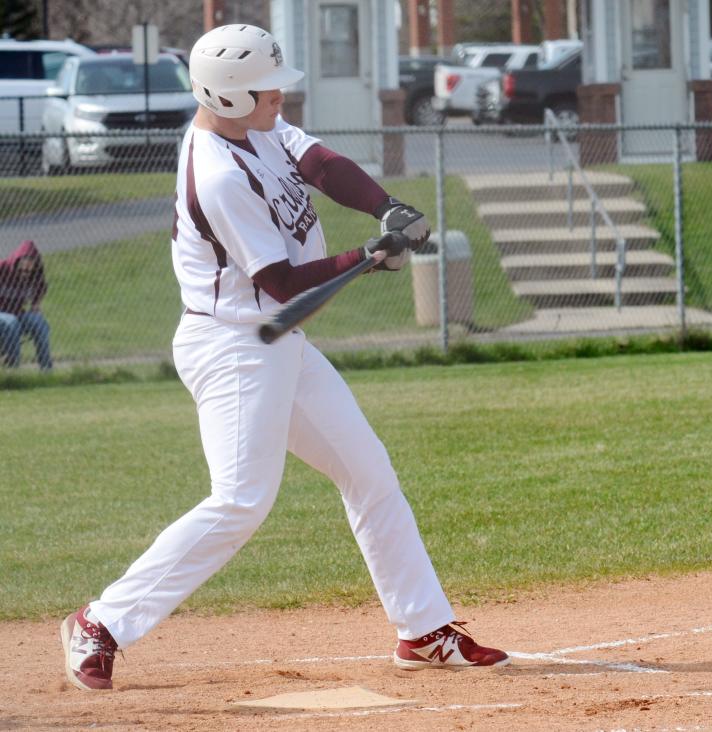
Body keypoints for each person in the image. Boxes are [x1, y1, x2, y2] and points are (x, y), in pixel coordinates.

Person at [60, 24, 508, 692]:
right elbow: (281, 283)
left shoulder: (257, 127)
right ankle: (100, 621)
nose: (279, 97)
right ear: (229, 97)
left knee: (369, 471)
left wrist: (387, 210)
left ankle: (422, 630)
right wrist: (364, 255)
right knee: (240, 501)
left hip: (277, 341)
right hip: (236, 346)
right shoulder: (216, 173)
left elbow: (321, 165)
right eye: (267, 89)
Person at [0, 240, 53, 371]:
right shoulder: (3, 268)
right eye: (23, 267)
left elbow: (41, 288)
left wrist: (36, 304)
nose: (26, 270)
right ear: (17, 261)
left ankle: (46, 370)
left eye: (30, 267)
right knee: (11, 323)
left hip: (17, 313)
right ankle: (13, 370)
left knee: (38, 322)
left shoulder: (36, 275)